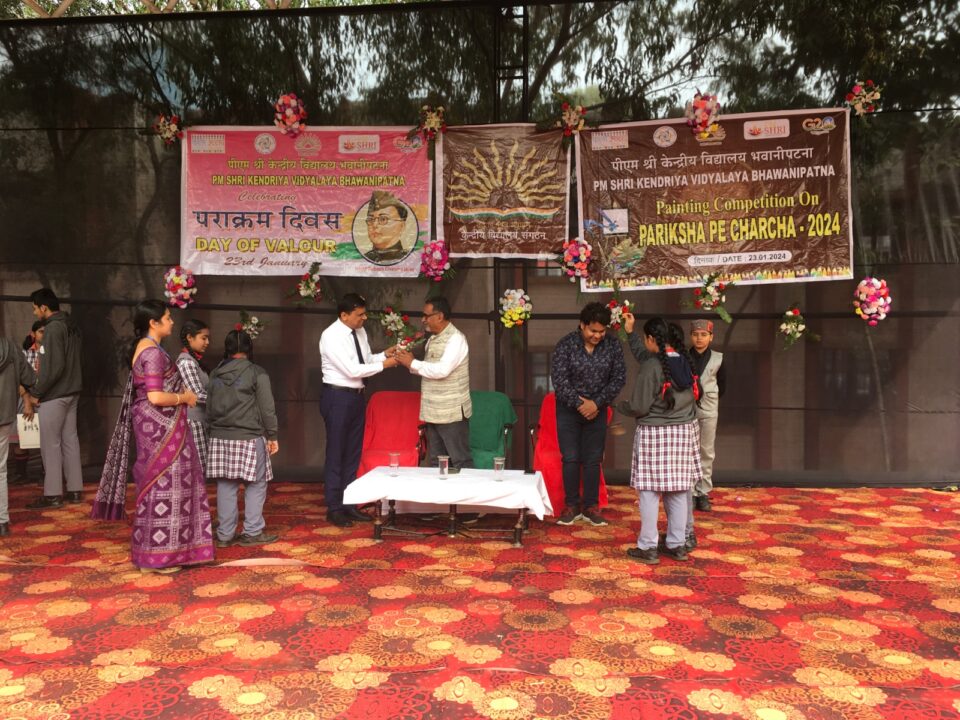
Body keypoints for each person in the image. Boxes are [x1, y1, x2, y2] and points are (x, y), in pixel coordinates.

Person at [91, 300, 214, 573]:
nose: (172, 322)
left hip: (154, 427)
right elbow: (156, 396)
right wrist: (184, 398)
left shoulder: (146, 348)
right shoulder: (152, 353)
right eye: (168, 318)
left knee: (160, 486)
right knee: (167, 487)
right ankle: (160, 557)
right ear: (153, 323)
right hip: (161, 430)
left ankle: (156, 554)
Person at [618, 317, 702, 565]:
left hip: (654, 433)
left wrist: (619, 406)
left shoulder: (652, 366)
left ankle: (648, 547)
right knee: (678, 491)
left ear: (651, 339)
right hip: (684, 432)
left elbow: (639, 405)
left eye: (645, 338)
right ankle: (677, 545)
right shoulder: (684, 360)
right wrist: (631, 333)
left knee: (649, 491)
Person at [319, 293, 401, 528]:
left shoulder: (360, 332)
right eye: (359, 315)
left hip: (356, 397)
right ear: (344, 315)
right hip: (337, 397)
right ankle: (334, 508)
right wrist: (385, 365)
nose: (364, 318)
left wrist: (384, 354)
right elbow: (352, 370)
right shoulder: (330, 336)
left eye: (364, 314)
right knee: (336, 452)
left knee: (353, 452)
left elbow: (365, 360)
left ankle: (349, 503)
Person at [549, 302, 626, 527]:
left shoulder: (612, 345)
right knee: (571, 457)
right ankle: (571, 506)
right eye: (593, 331)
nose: (598, 336)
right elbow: (559, 380)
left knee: (593, 459)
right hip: (568, 410)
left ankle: (591, 507)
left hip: (598, 410)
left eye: (602, 331)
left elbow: (619, 378)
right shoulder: (566, 344)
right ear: (582, 325)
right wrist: (580, 403)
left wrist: (596, 404)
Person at [206, 329, 280, 547]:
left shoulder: (215, 374)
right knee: (256, 483)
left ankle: (225, 535)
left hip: (219, 437)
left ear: (227, 349)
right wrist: (272, 434)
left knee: (226, 485)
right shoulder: (257, 373)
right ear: (249, 348)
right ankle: (252, 532)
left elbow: (209, 408)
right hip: (248, 436)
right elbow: (267, 408)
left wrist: (212, 432)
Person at [396, 296, 473, 471]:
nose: (423, 320)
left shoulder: (456, 339)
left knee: (461, 461)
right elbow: (428, 369)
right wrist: (407, 362)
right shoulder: (432, 339)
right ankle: (442, 491)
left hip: (451, 411)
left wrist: (412, 363)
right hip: (433, 410)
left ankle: (467, 491)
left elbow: (442, 370)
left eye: (426, 315)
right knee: (437, 463)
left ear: (440, 316)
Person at [26, 288, 83, 509]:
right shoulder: (71, 325)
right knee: (70, 441)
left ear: (44, 307)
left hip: (55, 395)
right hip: (72, 392)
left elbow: (54, 367)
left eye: (35, 308)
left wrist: (36, 393)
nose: (34, 312)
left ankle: (52, 495)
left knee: (50, 444)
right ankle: (75, 491)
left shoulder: (52, 329)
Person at [0, 335, 37, 536]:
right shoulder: (11, 348)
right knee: (1, 470)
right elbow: (30, 378)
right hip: (5, 414)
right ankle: (2, 521)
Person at [688, 319, 725, 512]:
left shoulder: (719, 358)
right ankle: (689, 491)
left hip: (709, 409)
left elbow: (723, 385)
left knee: (706, 451)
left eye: (703, 335)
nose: (699, 338)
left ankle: (702, 492)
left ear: (711, 337)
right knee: (688, 451)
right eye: (695, 335)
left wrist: (709, 397)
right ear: (690, 337)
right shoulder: (683, 356)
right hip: (686, 409)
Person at [176, 319, 211, 474]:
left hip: (199, 420)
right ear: (190, 337)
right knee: (198, 470)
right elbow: (196, 395)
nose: (207, 342)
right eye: (204, 338)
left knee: (199, 469)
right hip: (193, 421)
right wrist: (224, 400)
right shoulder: (187, 362)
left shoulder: (193, 361)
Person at [12, 320, 44, 485]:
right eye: (41, 332)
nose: (44, 335)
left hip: (45, 399)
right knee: (21, 436)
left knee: (46, 437)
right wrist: (27, 399)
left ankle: (45, 473)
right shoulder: (24, 354)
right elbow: (18, 378)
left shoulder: (52, 352)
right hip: (25, 398)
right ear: (33, 334)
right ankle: (21, 474)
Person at [356, 191, 415, 265]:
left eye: (383, 219)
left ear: (402, 226)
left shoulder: (411, 260)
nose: (374, 224)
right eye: (371, 219)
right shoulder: (361, 261)